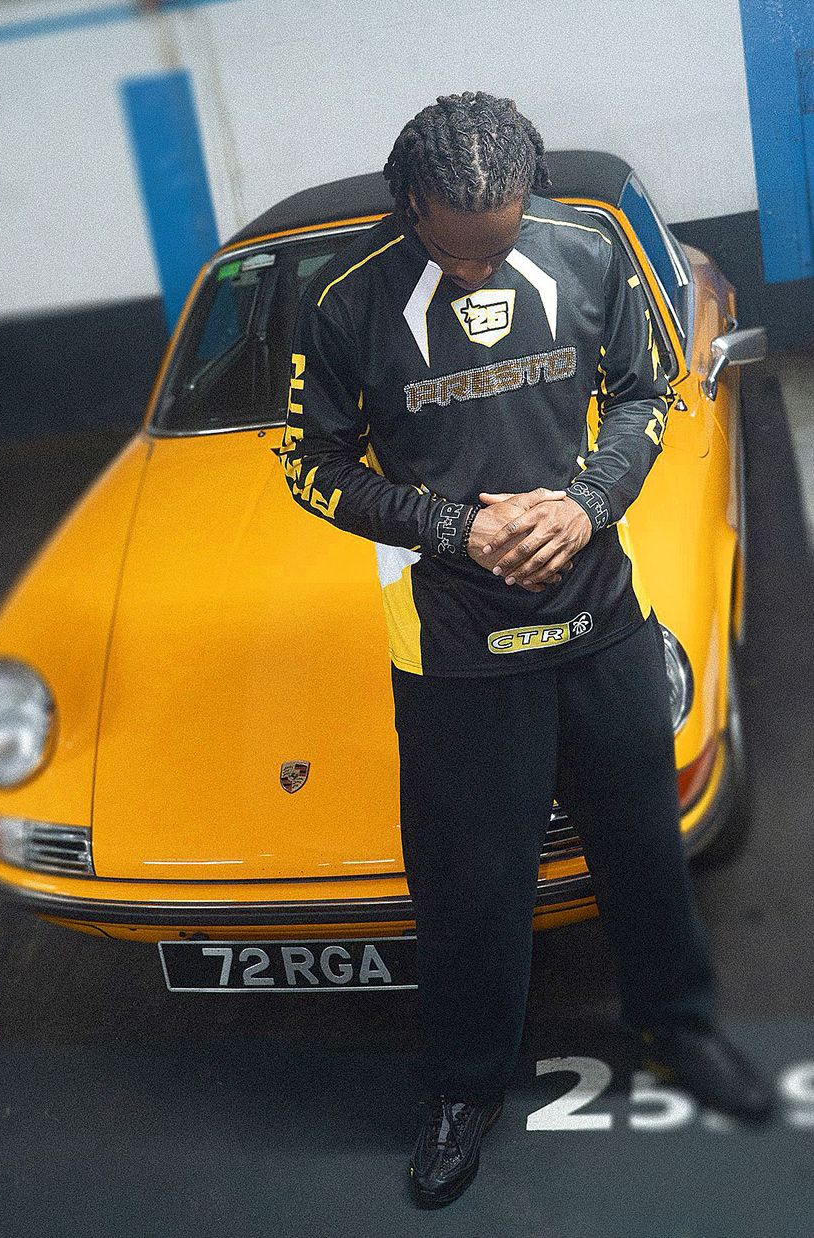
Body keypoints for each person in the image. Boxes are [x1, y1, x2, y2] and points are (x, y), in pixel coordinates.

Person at [279, 92, 774, 1209]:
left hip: (600, 616)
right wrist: (451, 525)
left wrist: (585, 504)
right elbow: (311, 466)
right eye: (458, 253)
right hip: (453, 645)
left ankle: (678, 1028)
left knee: (642, 847)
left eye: (497, 246)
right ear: (412, 205)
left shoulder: (585, 249)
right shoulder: (346, 302)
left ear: (528, 200)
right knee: (470, 885)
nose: (478, 271)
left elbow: (644, 397)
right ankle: (463, 1088)